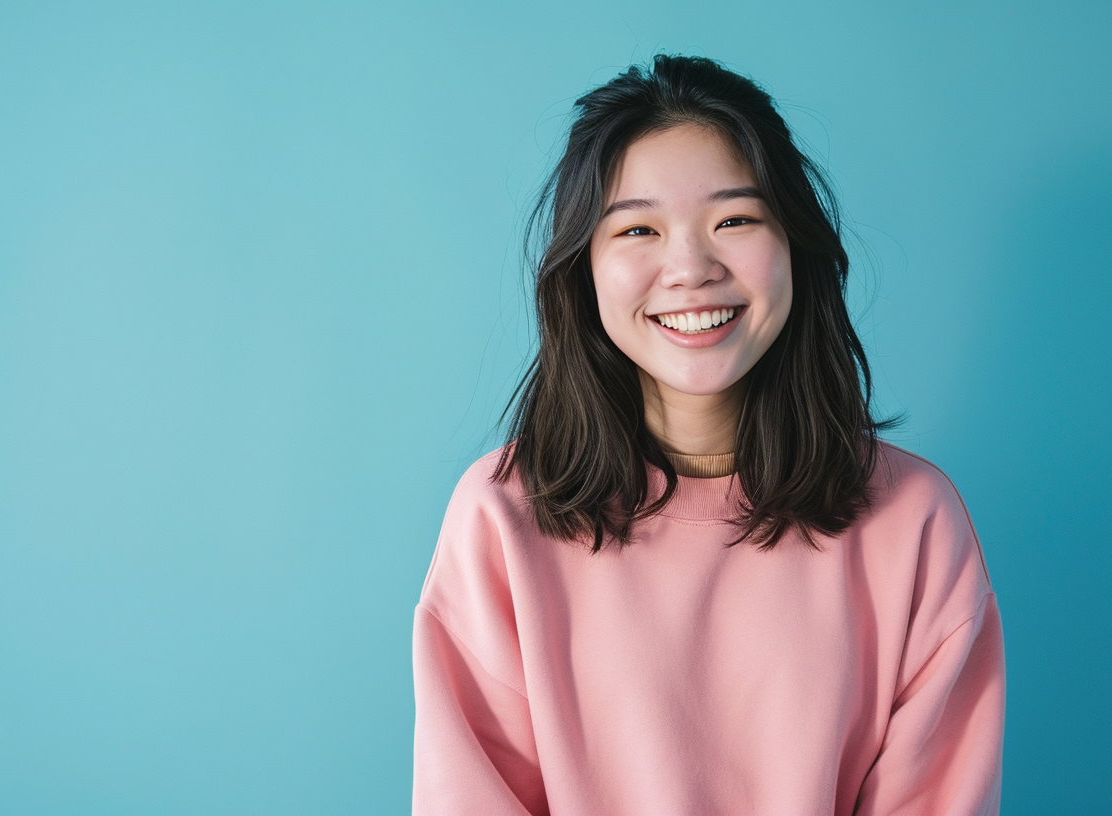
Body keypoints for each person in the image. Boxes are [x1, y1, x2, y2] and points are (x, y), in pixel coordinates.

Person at [412, 54, 1005, 815]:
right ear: (582, 270)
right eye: (637, 229)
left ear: (795, 245)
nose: (689, 268)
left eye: (734, 219)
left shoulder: (917, 520)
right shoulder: (500, 519)